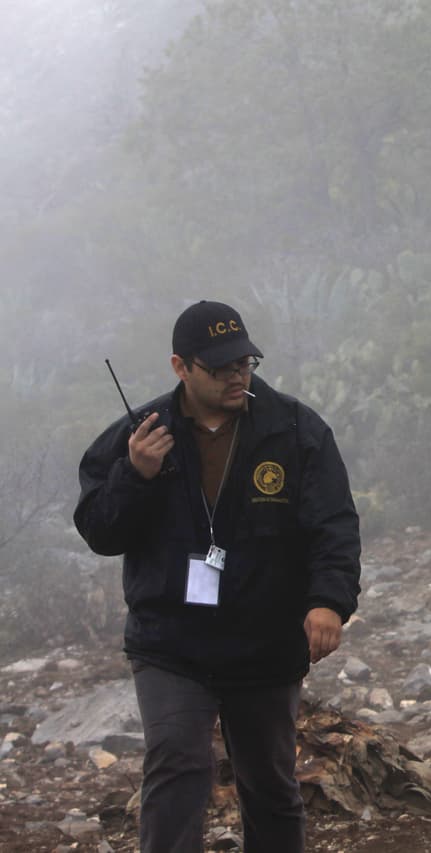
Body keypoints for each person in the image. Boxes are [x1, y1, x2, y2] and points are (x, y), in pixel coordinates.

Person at [74, 300, 362, 853]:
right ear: (181, 367)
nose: (238, 375)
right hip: (171, 644)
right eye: (221, 366)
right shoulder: (139, 435)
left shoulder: (296, 431)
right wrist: (135, 476)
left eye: (245, 363)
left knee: (271, 786)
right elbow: (99, 533)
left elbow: (334, 525)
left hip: (266, 643)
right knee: (178, 765)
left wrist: (328, 601)